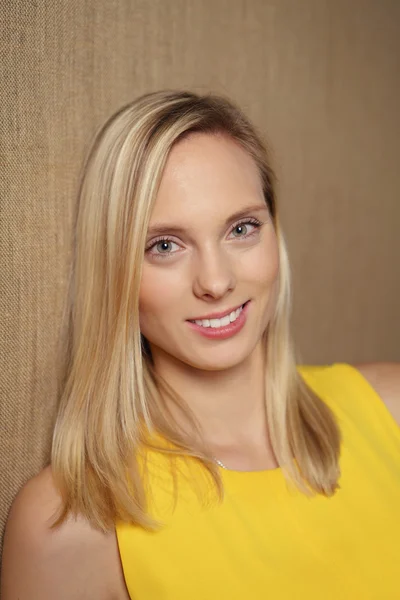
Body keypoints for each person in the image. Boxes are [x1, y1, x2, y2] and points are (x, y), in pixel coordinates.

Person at [1, 90, 399, 600]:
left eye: (241, 228)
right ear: (115, 270)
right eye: (165, 246)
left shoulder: (391, 408)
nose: (215, 281)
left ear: (276, 235)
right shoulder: (70, 523)